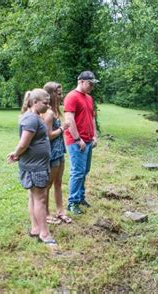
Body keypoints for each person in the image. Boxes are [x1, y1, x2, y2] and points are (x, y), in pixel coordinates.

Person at [7, 89, 56, 245]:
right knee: (40, 199)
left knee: (34, 197)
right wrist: (16, 153)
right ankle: (44, 233)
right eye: (45, 103)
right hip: (35, 167)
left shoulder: (35, 117)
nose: (48, 106)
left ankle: (36, 228)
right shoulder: (30, 119)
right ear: (35, 102)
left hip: (37, 165)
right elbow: (23, 143)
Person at [64, 71, 99, 215]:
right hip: (76, 141)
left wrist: (95, 136)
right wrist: (78, 139)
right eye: (90, 84)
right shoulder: (72, 97)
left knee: (85, 171)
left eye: (93, 84)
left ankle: (80, 197)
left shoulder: (89, 98)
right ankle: (72, 202)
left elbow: (91, 118)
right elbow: (69, 119)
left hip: (88, 140)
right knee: (77, 172)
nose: (92, 86)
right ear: (81, 81)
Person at [42, 82, 72, 224]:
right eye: (59, 93)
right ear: (52, 94)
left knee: (59, 182)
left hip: (60, 151)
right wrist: (62, 128)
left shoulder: (56, 110)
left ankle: (60, 211)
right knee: (48, 184)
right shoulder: (47, 113)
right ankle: (46, 213)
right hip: (52, 153)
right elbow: (48, 135)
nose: (61, 96)